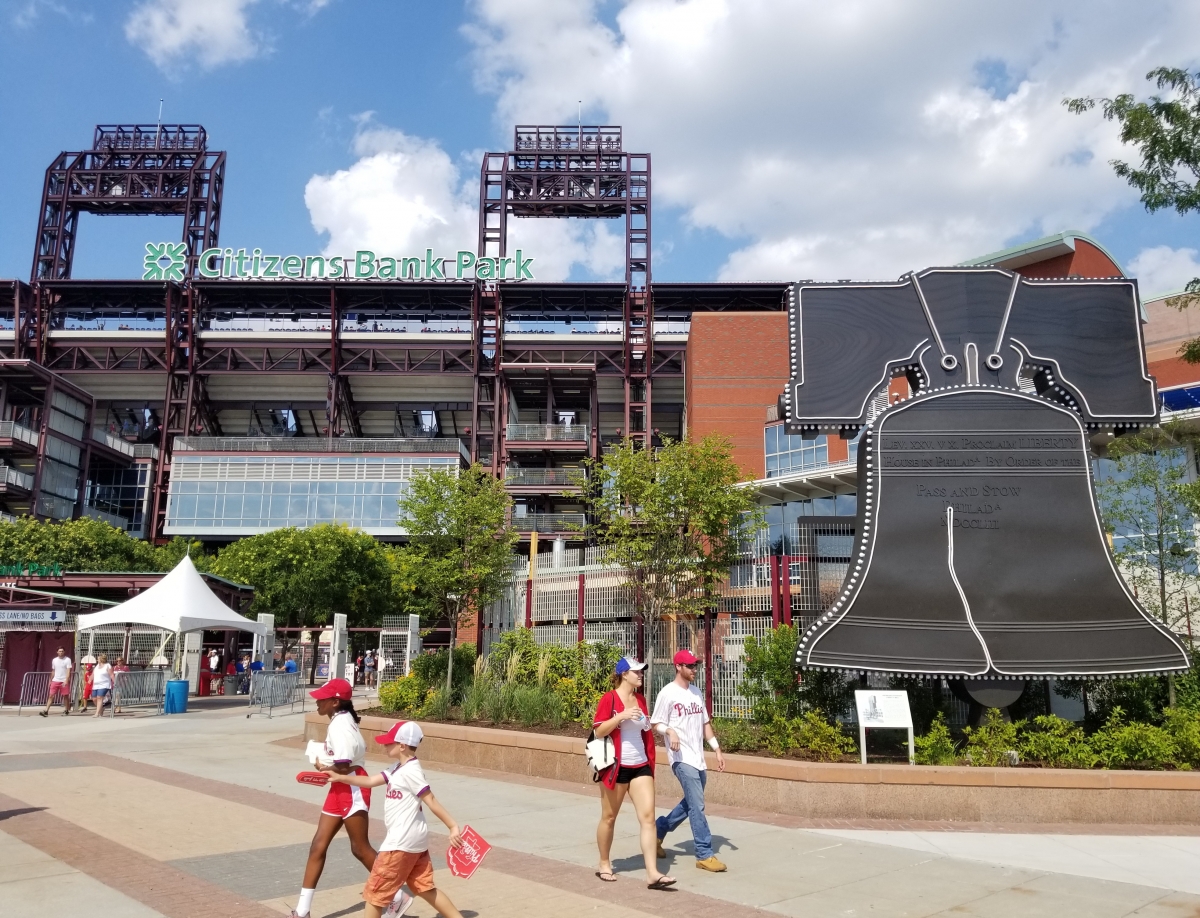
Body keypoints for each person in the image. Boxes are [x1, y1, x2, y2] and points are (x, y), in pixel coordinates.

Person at [323, 721, 464, 918]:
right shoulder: (398, 767)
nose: (385, 745)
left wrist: (453, 826)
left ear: (403, 745)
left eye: (390, 742)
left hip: (400, 843)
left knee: (374, 895)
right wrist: (340, 778)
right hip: (415, 842)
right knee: (424, 888)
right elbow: (371, 781)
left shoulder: (411, 771)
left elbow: (430, 799)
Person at [291, 679, 376, 918]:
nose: (317, 702)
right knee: (318, 844)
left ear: (335, 702)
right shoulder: (341, 721)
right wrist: (328, 767)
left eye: (322, 699)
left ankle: (394, 898)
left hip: (351, 786)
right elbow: (341, 765)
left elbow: (344, 766)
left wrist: (323, 767)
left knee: (360, 848)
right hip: (341, 786)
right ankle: (303, 910)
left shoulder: (340, 725)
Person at [591, 656, 676, 890]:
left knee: (648, 818)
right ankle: (604, 862)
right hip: (616, 767)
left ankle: (652, 873)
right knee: (609, 817)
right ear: (623, 674)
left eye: (641, 672)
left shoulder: (640, 699)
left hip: (641, 766)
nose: (640, 675)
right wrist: (620, 716)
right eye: (636, 672)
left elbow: (645, 731)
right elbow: (598, 731)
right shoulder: (609, 699)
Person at [651, 649, 727, 872]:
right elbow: (656, 723)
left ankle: (659, 830)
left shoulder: (696, 692)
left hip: (699, 759)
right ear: (678, 667)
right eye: (690, 666)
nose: (695, 670)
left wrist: (717, 750)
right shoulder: (668, 693)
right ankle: (704, 853)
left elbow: (705, 724)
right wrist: (670, 732)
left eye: (696, 666)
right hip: (681, 759)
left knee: (691, 803)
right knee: (698, 806)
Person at [40, 647, 72, 717]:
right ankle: (46, 711)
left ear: (64, 652)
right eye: (59, 651)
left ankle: (66, 710)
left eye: (62, 651)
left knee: (65, 696)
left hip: (63, 680)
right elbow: (53, 670)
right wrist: (50, 680)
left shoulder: (67, 660)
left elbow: (68, 670)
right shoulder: (54, 660)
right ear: (57, 652)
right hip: (55, 680)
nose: (61, 652)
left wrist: (66, 680)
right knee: (51, 695)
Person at [91, 653, 114, 718]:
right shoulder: (97, 666)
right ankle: (101, 709)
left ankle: (97, 713)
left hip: (104, 684)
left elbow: (111, 674)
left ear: (101, 659)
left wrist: (115, 682)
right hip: (96, 684)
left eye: (98, 658)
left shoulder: (107, 665)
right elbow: (93, 674)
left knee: (99, 697)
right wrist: (90, 680)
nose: (97, 659)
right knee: (94, 698)